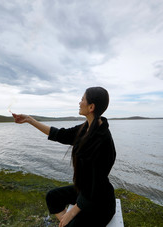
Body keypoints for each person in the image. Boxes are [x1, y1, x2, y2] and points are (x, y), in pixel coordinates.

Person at [12, 87, 116, 227]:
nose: (79, 103)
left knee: (70, 222)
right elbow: (60, 134)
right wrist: (30, 120)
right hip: (85, 191)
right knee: (52, 197)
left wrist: (71, 213)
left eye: (82, 99)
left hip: (99, 201)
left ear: (91, 107)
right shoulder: (86, 127)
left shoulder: (103, 141)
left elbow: (97, 185)